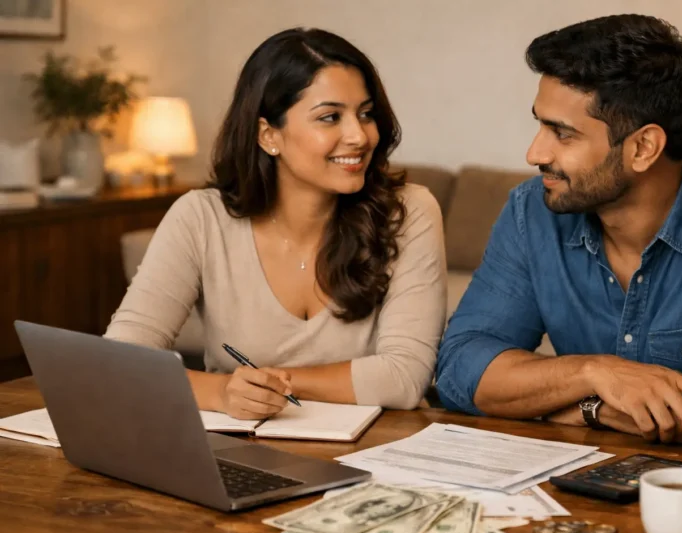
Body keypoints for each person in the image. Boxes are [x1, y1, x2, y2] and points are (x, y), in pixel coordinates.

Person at [435, 14, 682, 450]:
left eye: (562, 134)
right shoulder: (533, 210)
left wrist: (582, 410)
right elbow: (460, 368)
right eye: (540, 124)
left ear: (644, 147)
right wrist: (593, 374)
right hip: (596, 485)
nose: (535, 152)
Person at [106, 28, 447, 419]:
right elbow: (122, 359)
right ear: (269, 135)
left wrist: (263, 382)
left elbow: (404, 378)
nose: (359, 135)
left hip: (378, 451)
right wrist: (221, 393)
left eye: (366, 114)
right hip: (240, 448)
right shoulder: (201, 217)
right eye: (330, 117)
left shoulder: (410, 211)